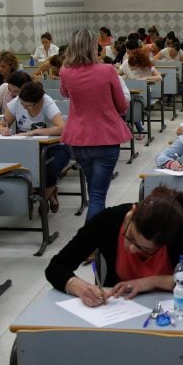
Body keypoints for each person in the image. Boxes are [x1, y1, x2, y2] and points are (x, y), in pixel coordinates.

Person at [45, 186, 183, 306]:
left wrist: (151, 282)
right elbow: (56, 267)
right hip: (117, 309)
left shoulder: (181, 227)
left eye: (146, 249)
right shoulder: (108, 220)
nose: (131, 249)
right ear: (133, 213)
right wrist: (80, 287)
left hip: (170, 309)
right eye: (130, 236)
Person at [60, 29, 131, 222]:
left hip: (78, 139)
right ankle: (93, 243)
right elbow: (122, 105)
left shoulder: (65, 71)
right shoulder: (106, 70)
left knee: (94, 192)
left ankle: (96, 235)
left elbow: (65, 93)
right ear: (94, 47)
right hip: (105, 136)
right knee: (98, 196)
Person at [0, 82, 69, 212]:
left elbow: (61, 128)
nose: (24, 108)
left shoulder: (47, 103)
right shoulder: (17, 102)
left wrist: (35, 132)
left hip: (55, 147)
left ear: (39, 101)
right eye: (22, 104)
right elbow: (1, 124)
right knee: (23, 169)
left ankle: (43, 198)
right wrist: (3, 130)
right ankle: (49, 195)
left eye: (28, 105)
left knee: (49, 170)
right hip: (28, 147)